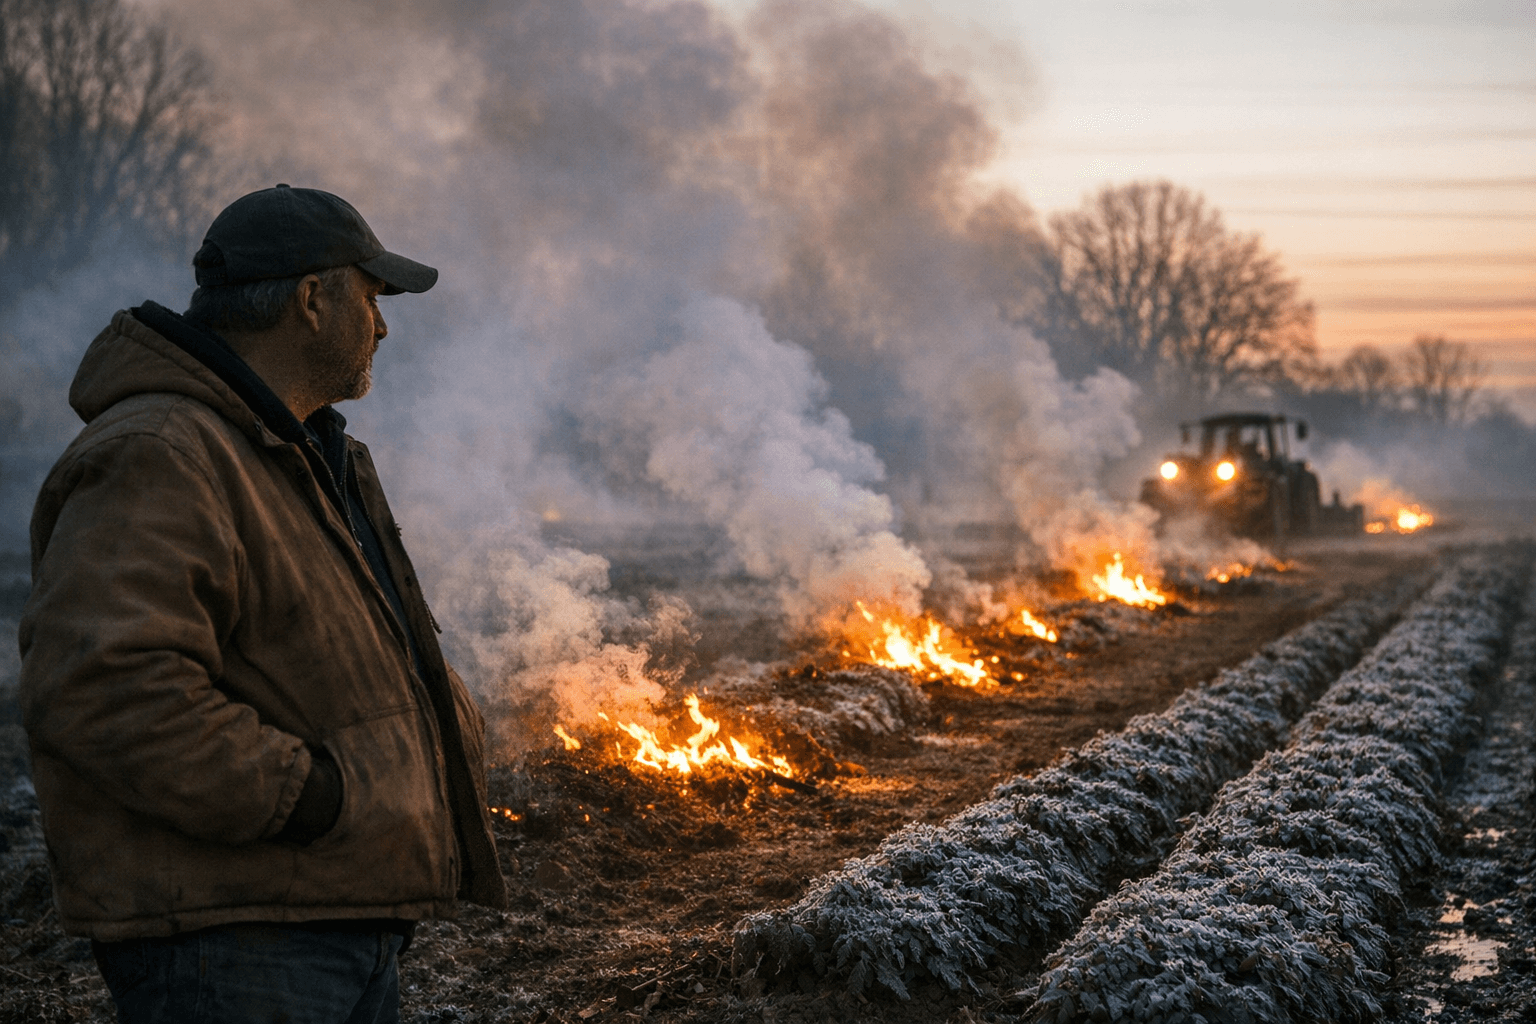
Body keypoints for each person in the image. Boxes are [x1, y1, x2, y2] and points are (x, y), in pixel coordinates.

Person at [18, 184, 507, 1024]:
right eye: (371, 298)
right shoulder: (162, 452)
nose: (383, 327)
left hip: (325, 918)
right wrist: (311, 798)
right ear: (312, 300)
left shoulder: (293, 452)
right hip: (238, 945)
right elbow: (104, 688)